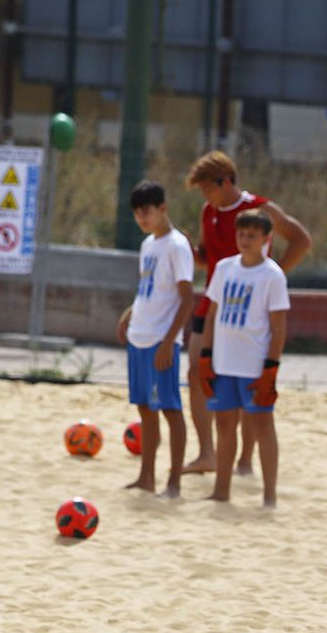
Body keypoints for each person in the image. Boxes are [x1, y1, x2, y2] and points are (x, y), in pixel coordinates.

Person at [184, 151, 311, 476]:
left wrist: (272, 275)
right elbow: (205, 257)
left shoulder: (259, 209)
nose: (205, 196)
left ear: (225, 181)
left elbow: (302, 239)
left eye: (207, 188)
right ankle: (207, 453)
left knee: (248, 381)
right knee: (198, 373)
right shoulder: (207, 210)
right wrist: (188, 250)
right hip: (214, 303)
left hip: (250, 310)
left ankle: (244, 458)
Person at [200, 211, 290, 507]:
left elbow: (278, 326)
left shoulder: (272, 275)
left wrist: (271, 368)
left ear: (266, 239)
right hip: (224, 363)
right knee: (224, 426)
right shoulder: (225, 268)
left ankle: (269, 494)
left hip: (254, 365)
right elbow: (212, 315)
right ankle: (221, 490)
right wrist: (205, 356)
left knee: (262, 425)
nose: (245, 240)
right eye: (241, 234)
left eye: (252, 235)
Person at [114, 179, 193, 499]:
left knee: (171, 410)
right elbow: (150, 289)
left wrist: (168, 342)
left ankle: (173, 481)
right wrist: (131, 312)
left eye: (147, 210)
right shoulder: (148, 245)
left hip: (161, 341)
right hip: (139, 336)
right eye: (136, 212)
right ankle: (146, 476)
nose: (142, 217)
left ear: (163, 208)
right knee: (145, 408)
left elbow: (186, 298)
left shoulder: (177, 245)